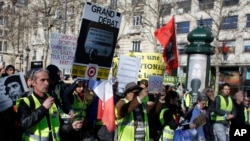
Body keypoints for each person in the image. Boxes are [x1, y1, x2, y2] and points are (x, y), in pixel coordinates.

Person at [16, 68, 83, 141]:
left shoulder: (52, 99)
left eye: (48, 80)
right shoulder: (26, 101)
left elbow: (59, 126)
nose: (47, 83)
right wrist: (43, 108)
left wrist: (71, 127)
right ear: (33, 82)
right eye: (42, 80)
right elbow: (23, 124)